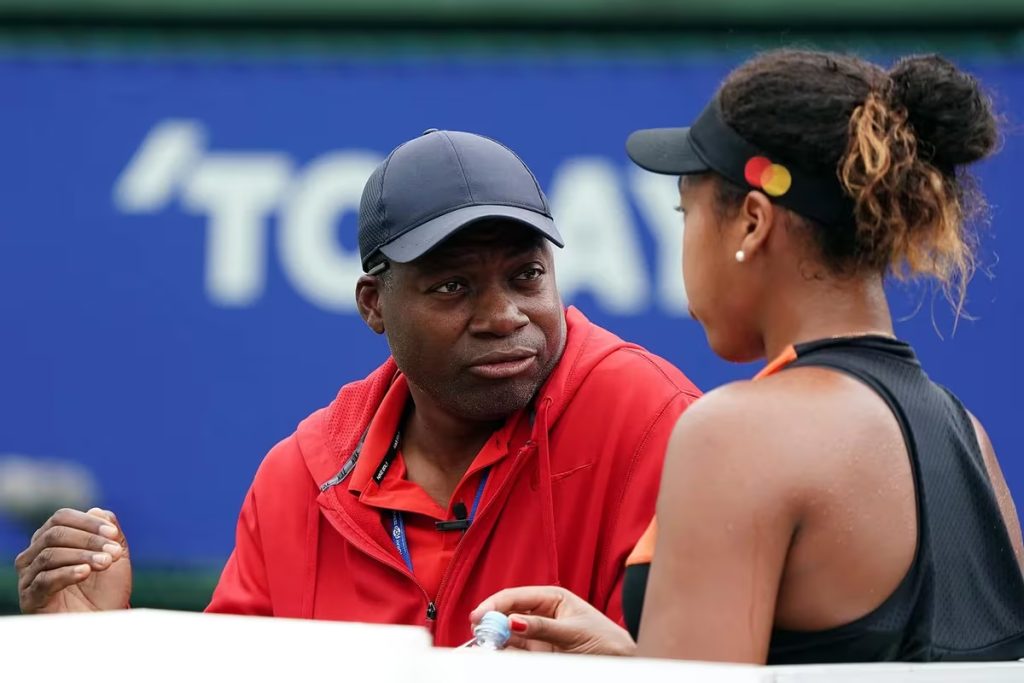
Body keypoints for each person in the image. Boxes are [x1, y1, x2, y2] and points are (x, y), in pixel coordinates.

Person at [14, 129, 702, 646]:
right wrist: (90, 647)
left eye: (526, 276)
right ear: (373, 304)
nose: (503, 316)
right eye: (455, 285)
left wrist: (633, 667)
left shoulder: (652, 423)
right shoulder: (298, 478)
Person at [472, 50, 1024, 663]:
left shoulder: (733, 435)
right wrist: (636, 663)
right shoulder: (968, 437)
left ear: (754, 222)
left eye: (687, 211)